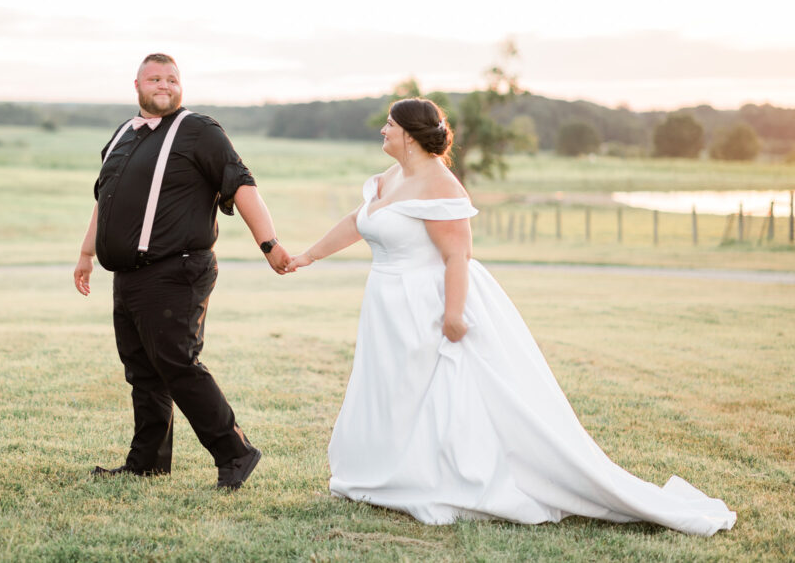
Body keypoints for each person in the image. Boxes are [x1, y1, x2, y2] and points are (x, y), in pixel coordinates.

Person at [285, 98, 736, 535]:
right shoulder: (392, 176)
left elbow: (458, 255)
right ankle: (380, 472)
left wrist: (454, 314)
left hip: (424, 304)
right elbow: (356, 220)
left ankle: (441, 480)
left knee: (436, 392)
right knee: (389, 388)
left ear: (410, 135)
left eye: (389, 124)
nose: (382, 130)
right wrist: (308, 256)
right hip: (385, 307)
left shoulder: (442, 185)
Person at [74, 53, 290, 490]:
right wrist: (86, 254)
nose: (164, 84)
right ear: (136, 83)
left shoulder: (199, 131)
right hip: (128, 274)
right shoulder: (121, 135)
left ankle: (236, 452)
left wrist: (269, 244)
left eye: (172, 78)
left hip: (178, 268)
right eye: (155, 78)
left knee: (177, 363)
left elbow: (241, 182)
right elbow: (106, 199)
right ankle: (148, 462)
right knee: (142, 369)